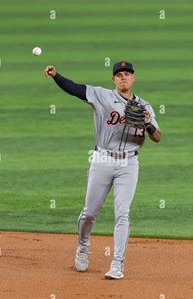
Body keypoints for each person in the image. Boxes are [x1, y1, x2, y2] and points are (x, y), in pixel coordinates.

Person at [43, 61, 161, 279]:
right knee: (89, 213)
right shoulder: (101, 95)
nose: (123, 77)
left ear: (133, 78)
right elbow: (75, 89)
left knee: (123, 213)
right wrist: (56, 75)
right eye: (119, 75)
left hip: (129, 163)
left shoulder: (145, 106)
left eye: (127, 74)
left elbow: (157, 138)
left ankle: (118, 264)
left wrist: (148, 124)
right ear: (113, 80)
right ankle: (83, 245)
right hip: (102, 160)